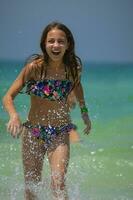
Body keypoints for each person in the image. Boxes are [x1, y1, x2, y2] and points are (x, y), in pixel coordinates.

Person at [2, 21, 91, 200]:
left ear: (68, 45)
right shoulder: (35, 68)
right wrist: (13, 115)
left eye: (60, 41)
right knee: (31, 188)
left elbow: (77, 87)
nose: (56, 45)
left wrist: (83, 110)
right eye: (51, 41)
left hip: (60, 132)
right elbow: (8, 97)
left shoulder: (72, 69)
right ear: (44, 44)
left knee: (58, 184)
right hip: (33, 133)